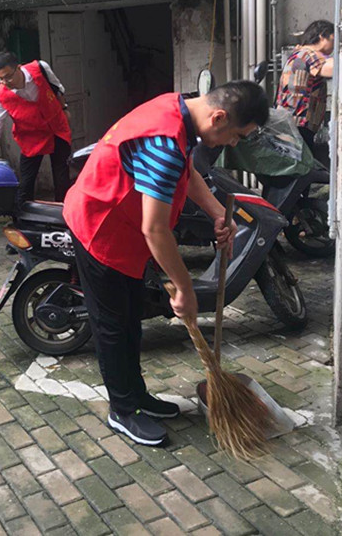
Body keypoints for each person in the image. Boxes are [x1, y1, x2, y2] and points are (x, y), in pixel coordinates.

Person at [63, 81, 269, 446]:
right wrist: (185, 290)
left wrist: (217, 211)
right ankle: (122, 410)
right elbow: (155, 230)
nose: (233, 144)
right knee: (114, 325)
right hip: (101, 230)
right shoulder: (164, 144)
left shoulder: (180, 112)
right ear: (218, 117)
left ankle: (137, 397)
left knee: (130, 319)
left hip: (125, 233)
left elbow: (187, 172)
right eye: (236, 135)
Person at [0, 51, 72, 206]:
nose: (4, 82)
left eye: (8, 76)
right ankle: (23, 220)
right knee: (26, 184)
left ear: (19, 68)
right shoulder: (1, 96)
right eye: (0, 78)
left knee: (62, 178)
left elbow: (57, 88)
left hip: (56, 128)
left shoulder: (41, 68)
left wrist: (64, 108)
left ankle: (63, 218)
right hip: (31, 138)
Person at [276, 19, 335, 147]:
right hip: (297, 125)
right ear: (322, 36)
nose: (335, 45)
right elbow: (334, 69)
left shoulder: (299, 53)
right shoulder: (308, 55)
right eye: (333, 39)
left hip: (290, 123)